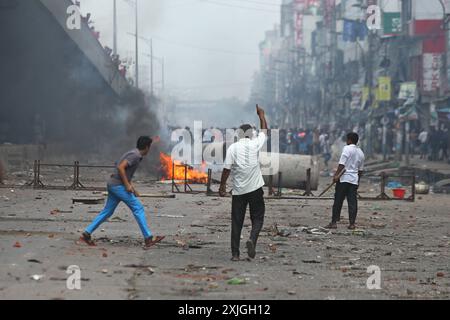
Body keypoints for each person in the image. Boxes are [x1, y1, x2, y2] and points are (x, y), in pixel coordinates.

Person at [80, 136, 165, 248]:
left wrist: (132, 188)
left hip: (114, 184)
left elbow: (124, 171)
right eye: (149, 147)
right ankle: (148, 238)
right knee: (138, 207)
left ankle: (87, 232)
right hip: (118, 186)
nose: (149, 150)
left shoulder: (133, 153)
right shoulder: (135, 155)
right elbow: (121, 168)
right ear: (146, 147)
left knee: (107, 211)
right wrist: (126, 185)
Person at [219, 105, 268, 261]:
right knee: (258, 218)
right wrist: (261, 116)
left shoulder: (233, 148)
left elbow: (226, 169)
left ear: (239, 135)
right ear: (251, 134)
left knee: (237, 222)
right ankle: (252, 239)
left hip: (239, 192)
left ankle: (235, 254)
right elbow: (265, 132)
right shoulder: (255, 144)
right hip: (255, 189)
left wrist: (222, 187)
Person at [325, 132, 365, 230]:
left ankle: (334, 222)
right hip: (354, 180)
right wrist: (357, 181)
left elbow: (342, 164)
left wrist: (336, 175)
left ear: (349, 140)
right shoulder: (361, 152)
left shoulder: (347, 149)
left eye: (347, 140)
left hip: (344, 179)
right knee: (352, 202)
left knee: (338, 201)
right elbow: (360, 170)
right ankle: (352, 224)